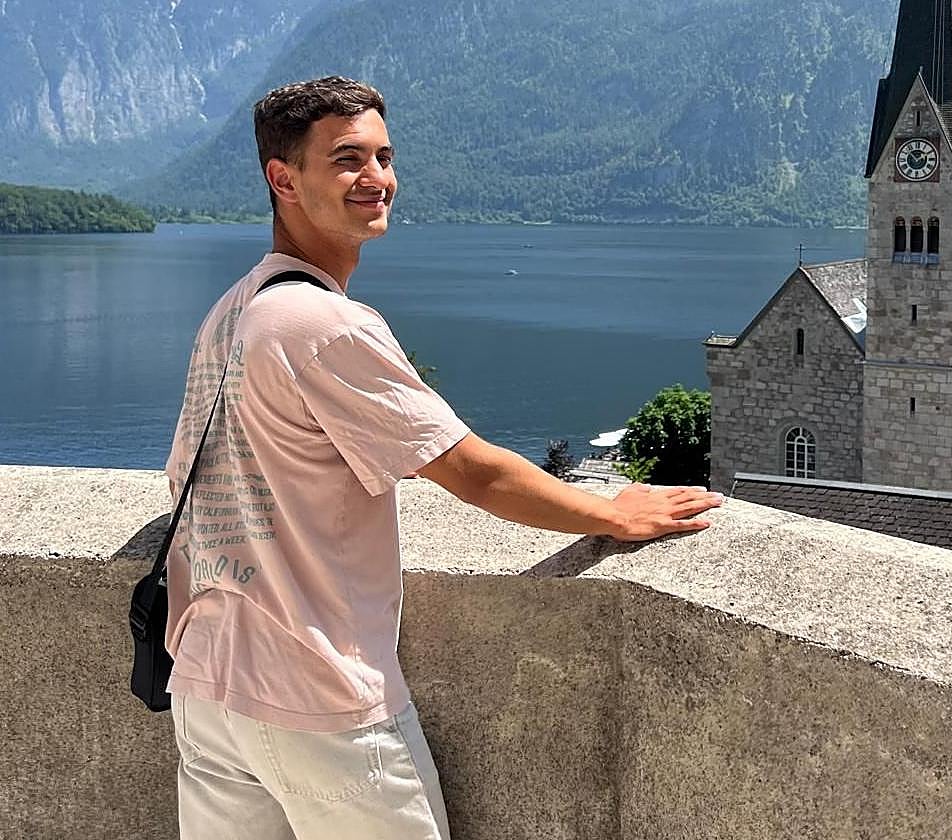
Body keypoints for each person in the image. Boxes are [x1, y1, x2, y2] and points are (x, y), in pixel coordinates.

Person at [163, 76, 722, 840]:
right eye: (347, 159)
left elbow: (183, 482)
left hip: (209, 687)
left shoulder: (229, 315)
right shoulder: (326, 324)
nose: (377, 178)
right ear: (283, 179)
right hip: (317, 698)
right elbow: (470, 470)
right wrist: (611, 510)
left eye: (384, 156)